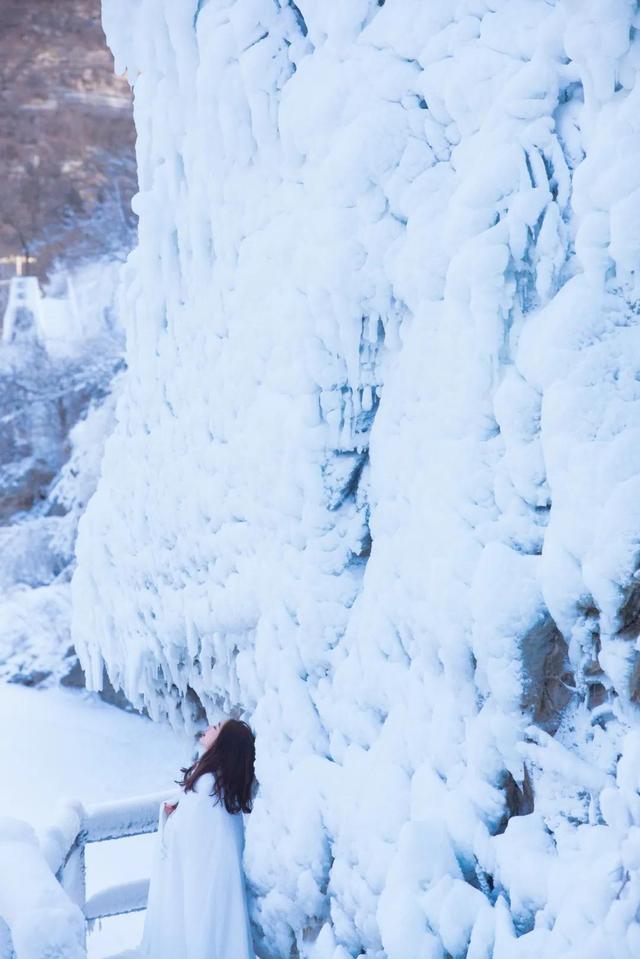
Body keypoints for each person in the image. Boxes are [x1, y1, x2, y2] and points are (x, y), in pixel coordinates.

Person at [140, 717, 257, 959]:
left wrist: (172, 816)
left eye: (216, 728)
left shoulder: (208, 784)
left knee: (193, 929)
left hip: (198, 876)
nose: (209, 727)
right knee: (211, 931)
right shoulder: (221, 786)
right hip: (215, 878)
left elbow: (186, 831)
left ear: (224, 743)